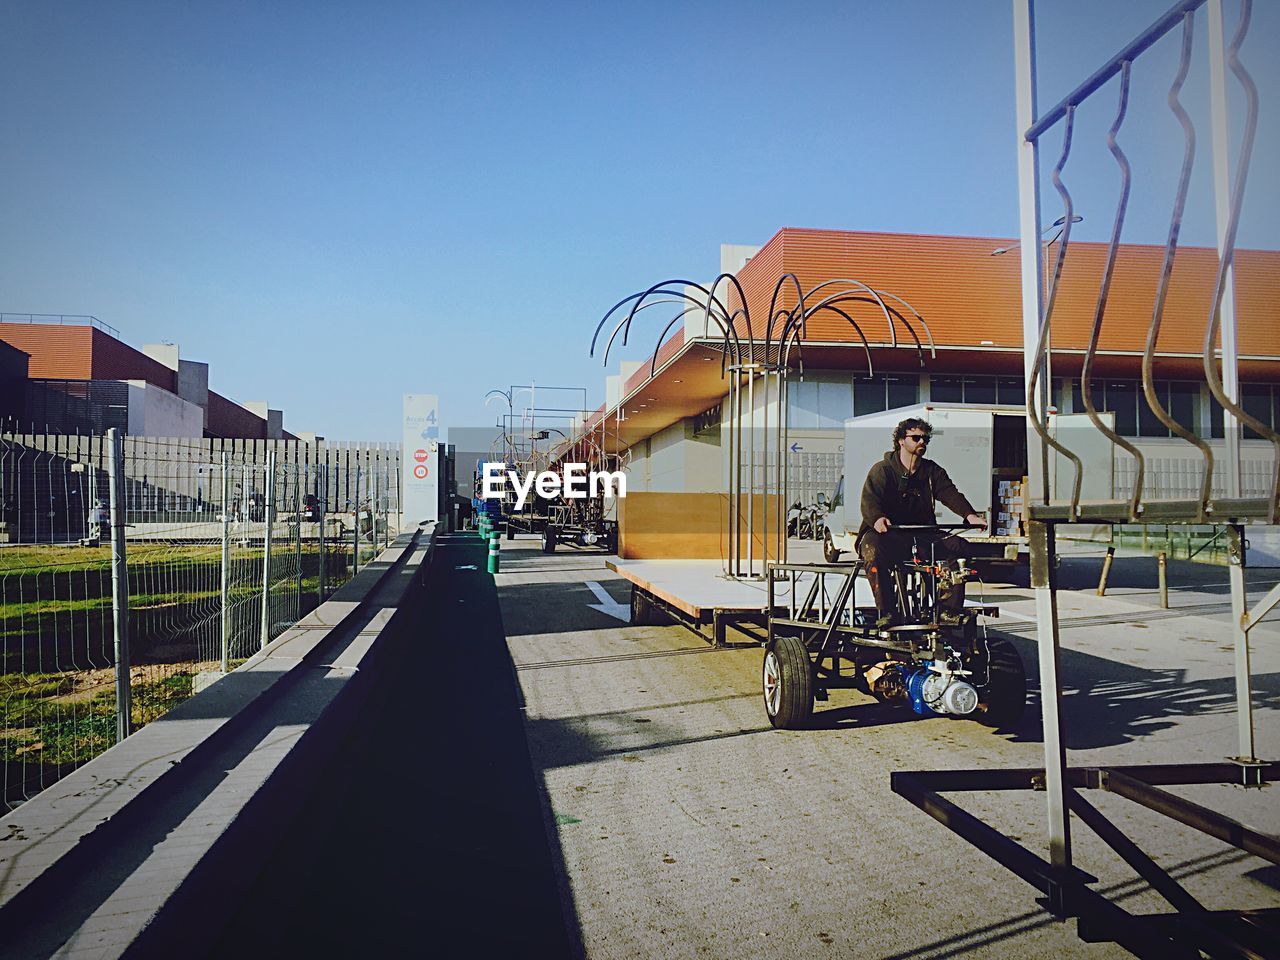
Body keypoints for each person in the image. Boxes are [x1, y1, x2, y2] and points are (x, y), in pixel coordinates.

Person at [857, 417, 986, 622]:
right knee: (873, 549)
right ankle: (888, 611)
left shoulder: (931, 471)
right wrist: (878, 518)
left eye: (925, 438)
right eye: (916, 437)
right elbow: (870, 499)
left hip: (922, 533)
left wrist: (969, 515)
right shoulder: (883, 469)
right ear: (901, 440)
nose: (922, 442)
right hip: (888, 534)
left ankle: (947, 610)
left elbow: (949, 493)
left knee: (958, 547)